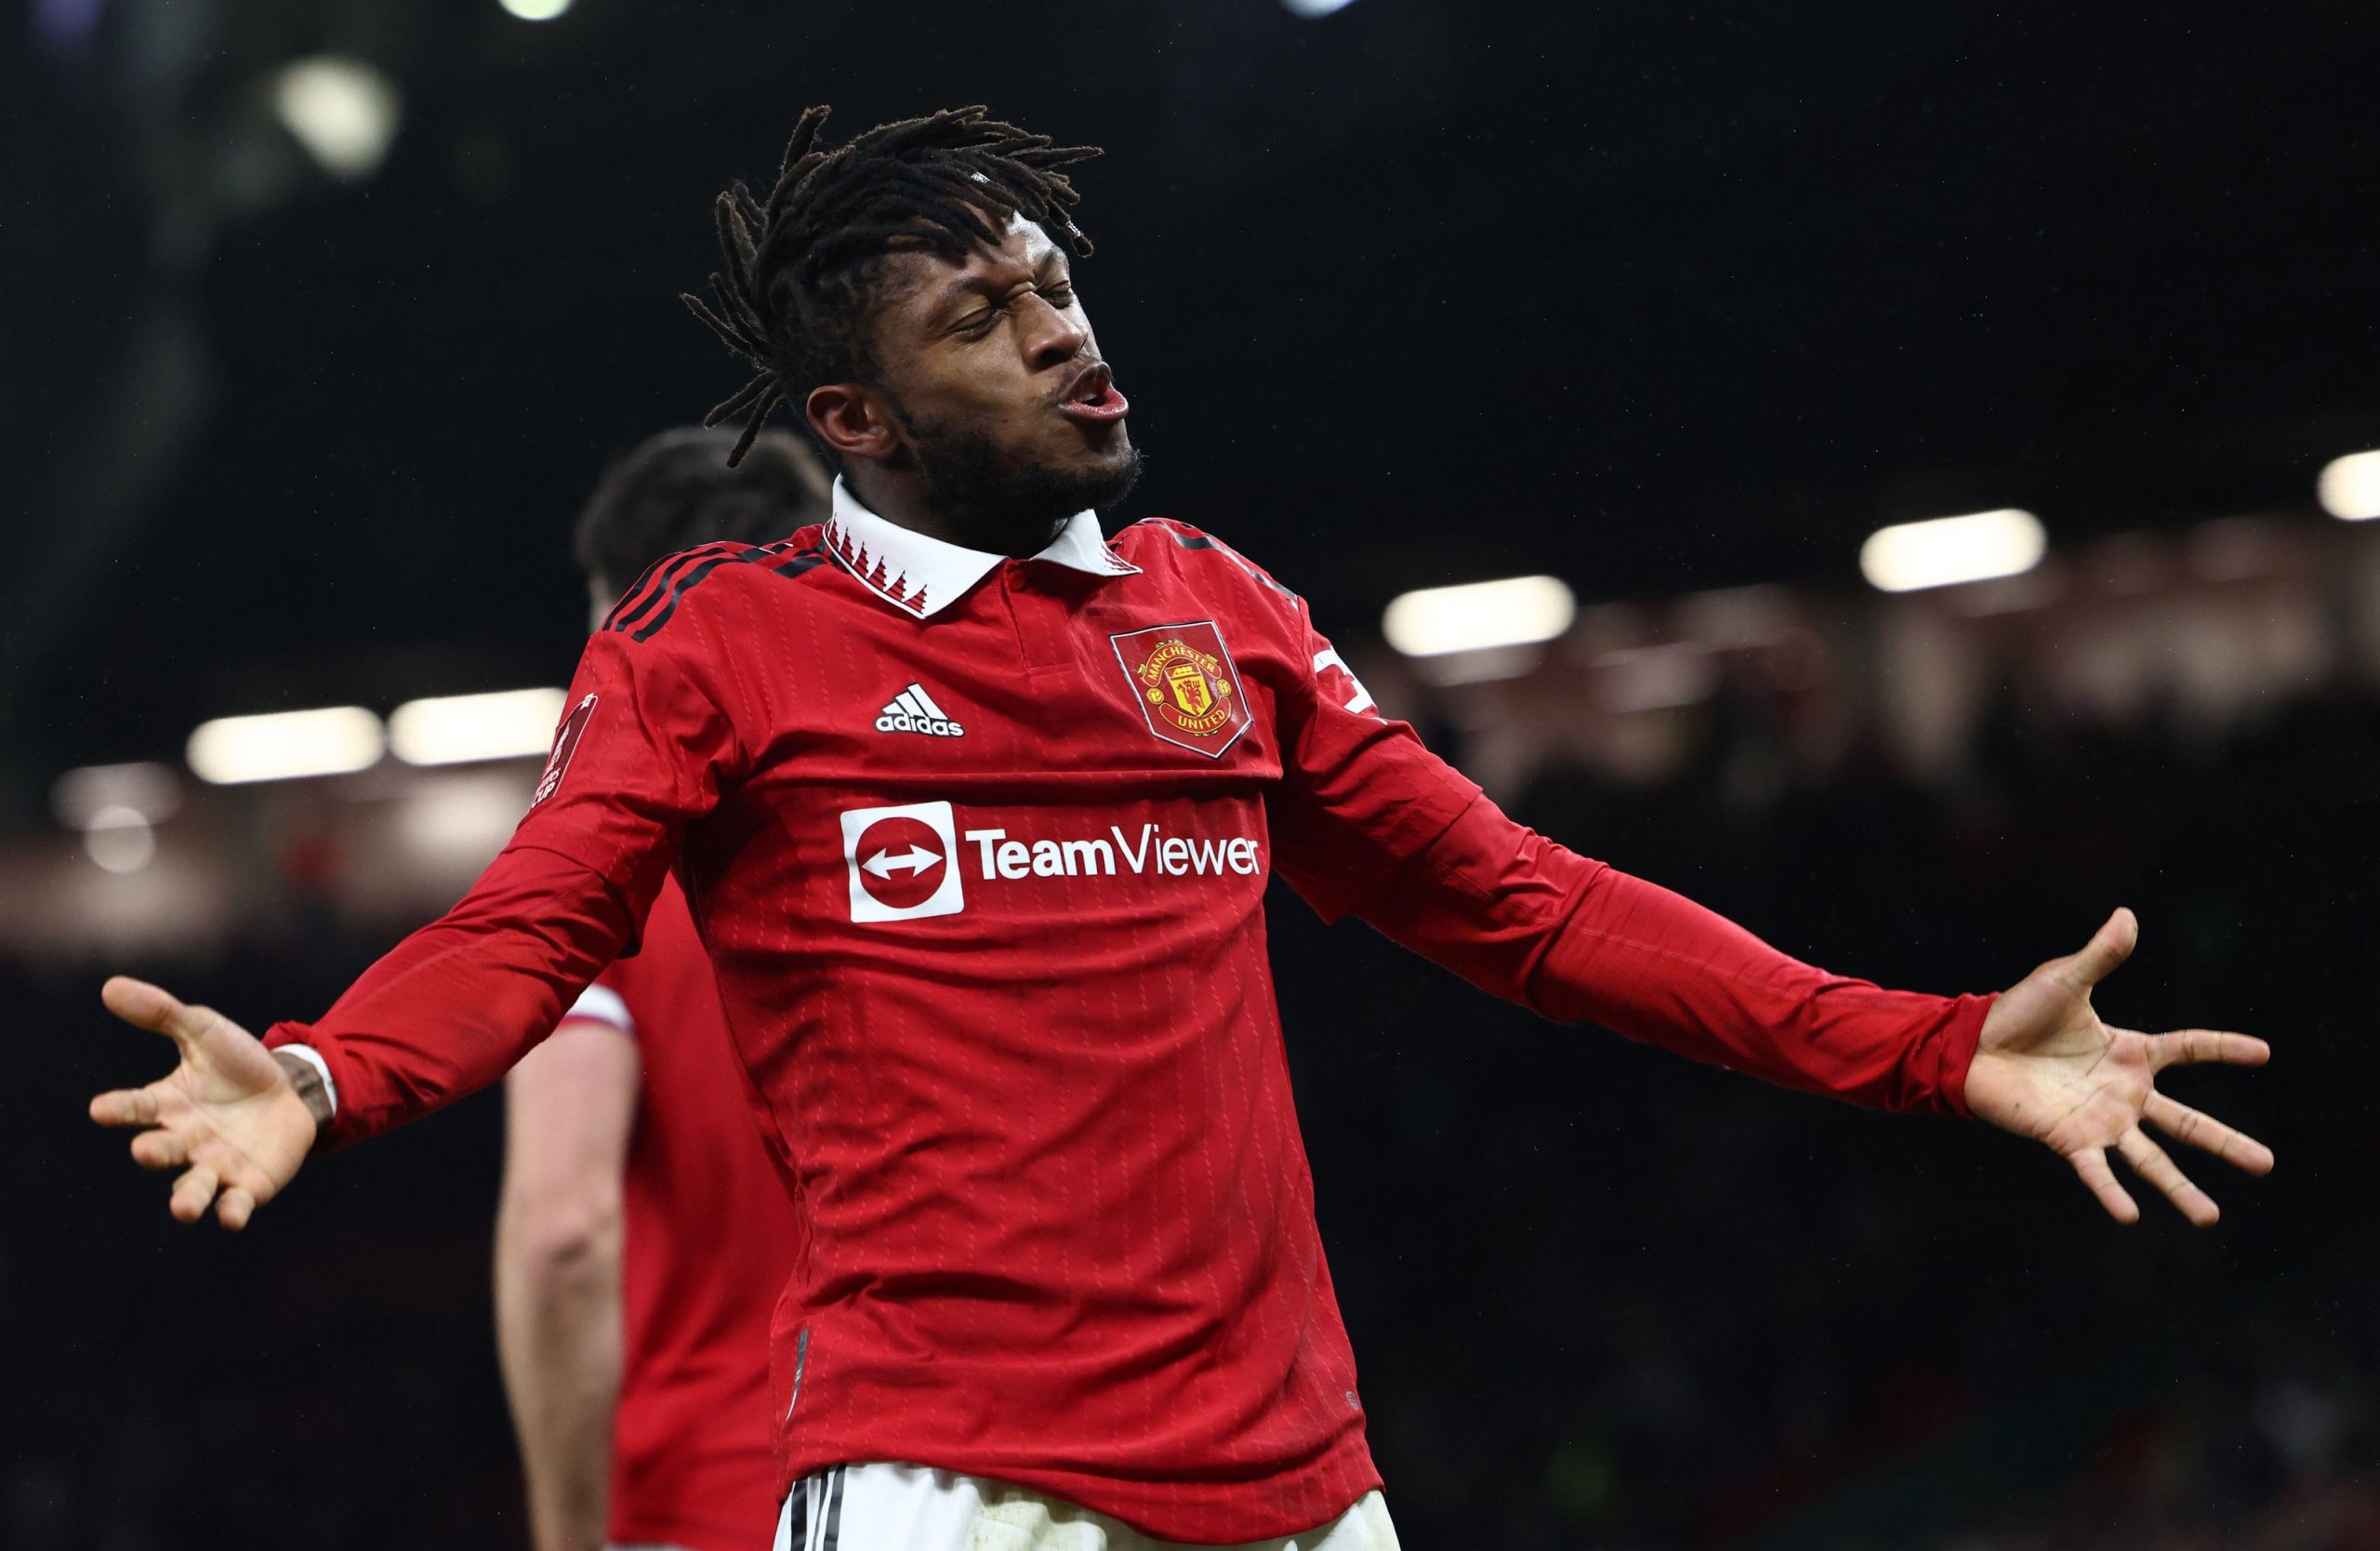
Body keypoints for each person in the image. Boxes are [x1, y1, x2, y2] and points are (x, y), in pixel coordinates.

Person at [88, 106, 2274, 1551]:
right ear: (851, 419)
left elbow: (1524, 907)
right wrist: (322, 1074)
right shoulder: (722, 644)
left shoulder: (1212, 616)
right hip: (947, 1485)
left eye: (1053, 285)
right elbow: (529, 926)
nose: (1062, 335)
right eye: (982, 319)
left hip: (1299, 1482)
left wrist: (1921, 1042)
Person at [496, 426, 829, 1551]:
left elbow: (563, 1235)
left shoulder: (597, 883)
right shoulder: (950, 855)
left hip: (712, 1500)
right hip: (952, 1485)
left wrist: (567, 1535)